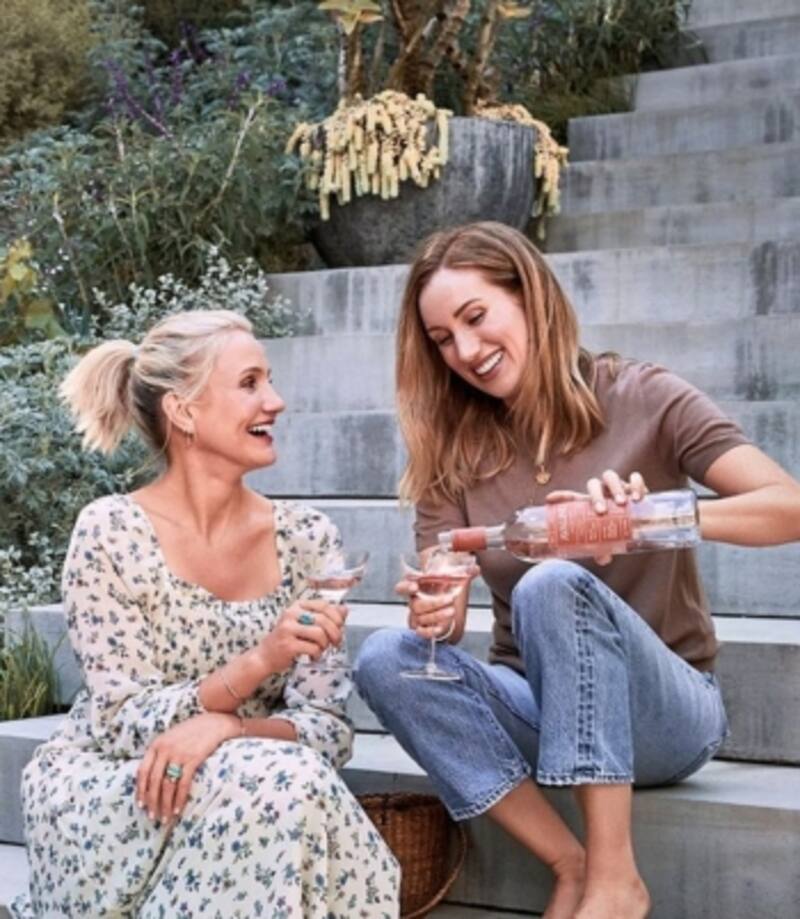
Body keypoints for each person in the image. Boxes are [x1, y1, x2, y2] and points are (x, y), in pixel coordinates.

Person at [354, 222, 800, 919]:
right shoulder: (453, 450)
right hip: (538, 709)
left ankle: (617, 881)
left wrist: (647, 517)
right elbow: (442, 597)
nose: (465, 351)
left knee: (552, 580)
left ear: (530, 296)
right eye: (442, 339)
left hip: (667, 714)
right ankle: (571, 863)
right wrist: (436, 610)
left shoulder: (644, 396)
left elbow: (788, 507)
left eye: (476, 316)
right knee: (386, 657)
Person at [14, 310, 400, 918]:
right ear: (184, 411)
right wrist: (259, 662)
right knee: (285, 787)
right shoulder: (111, 533)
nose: (275, 401)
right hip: (124, 788)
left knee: (287, 782)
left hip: (260, 782)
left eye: (269, 380)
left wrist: (229, 729)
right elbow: (121, 724)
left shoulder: (307, 540)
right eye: (249, 383)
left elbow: (328, 729)